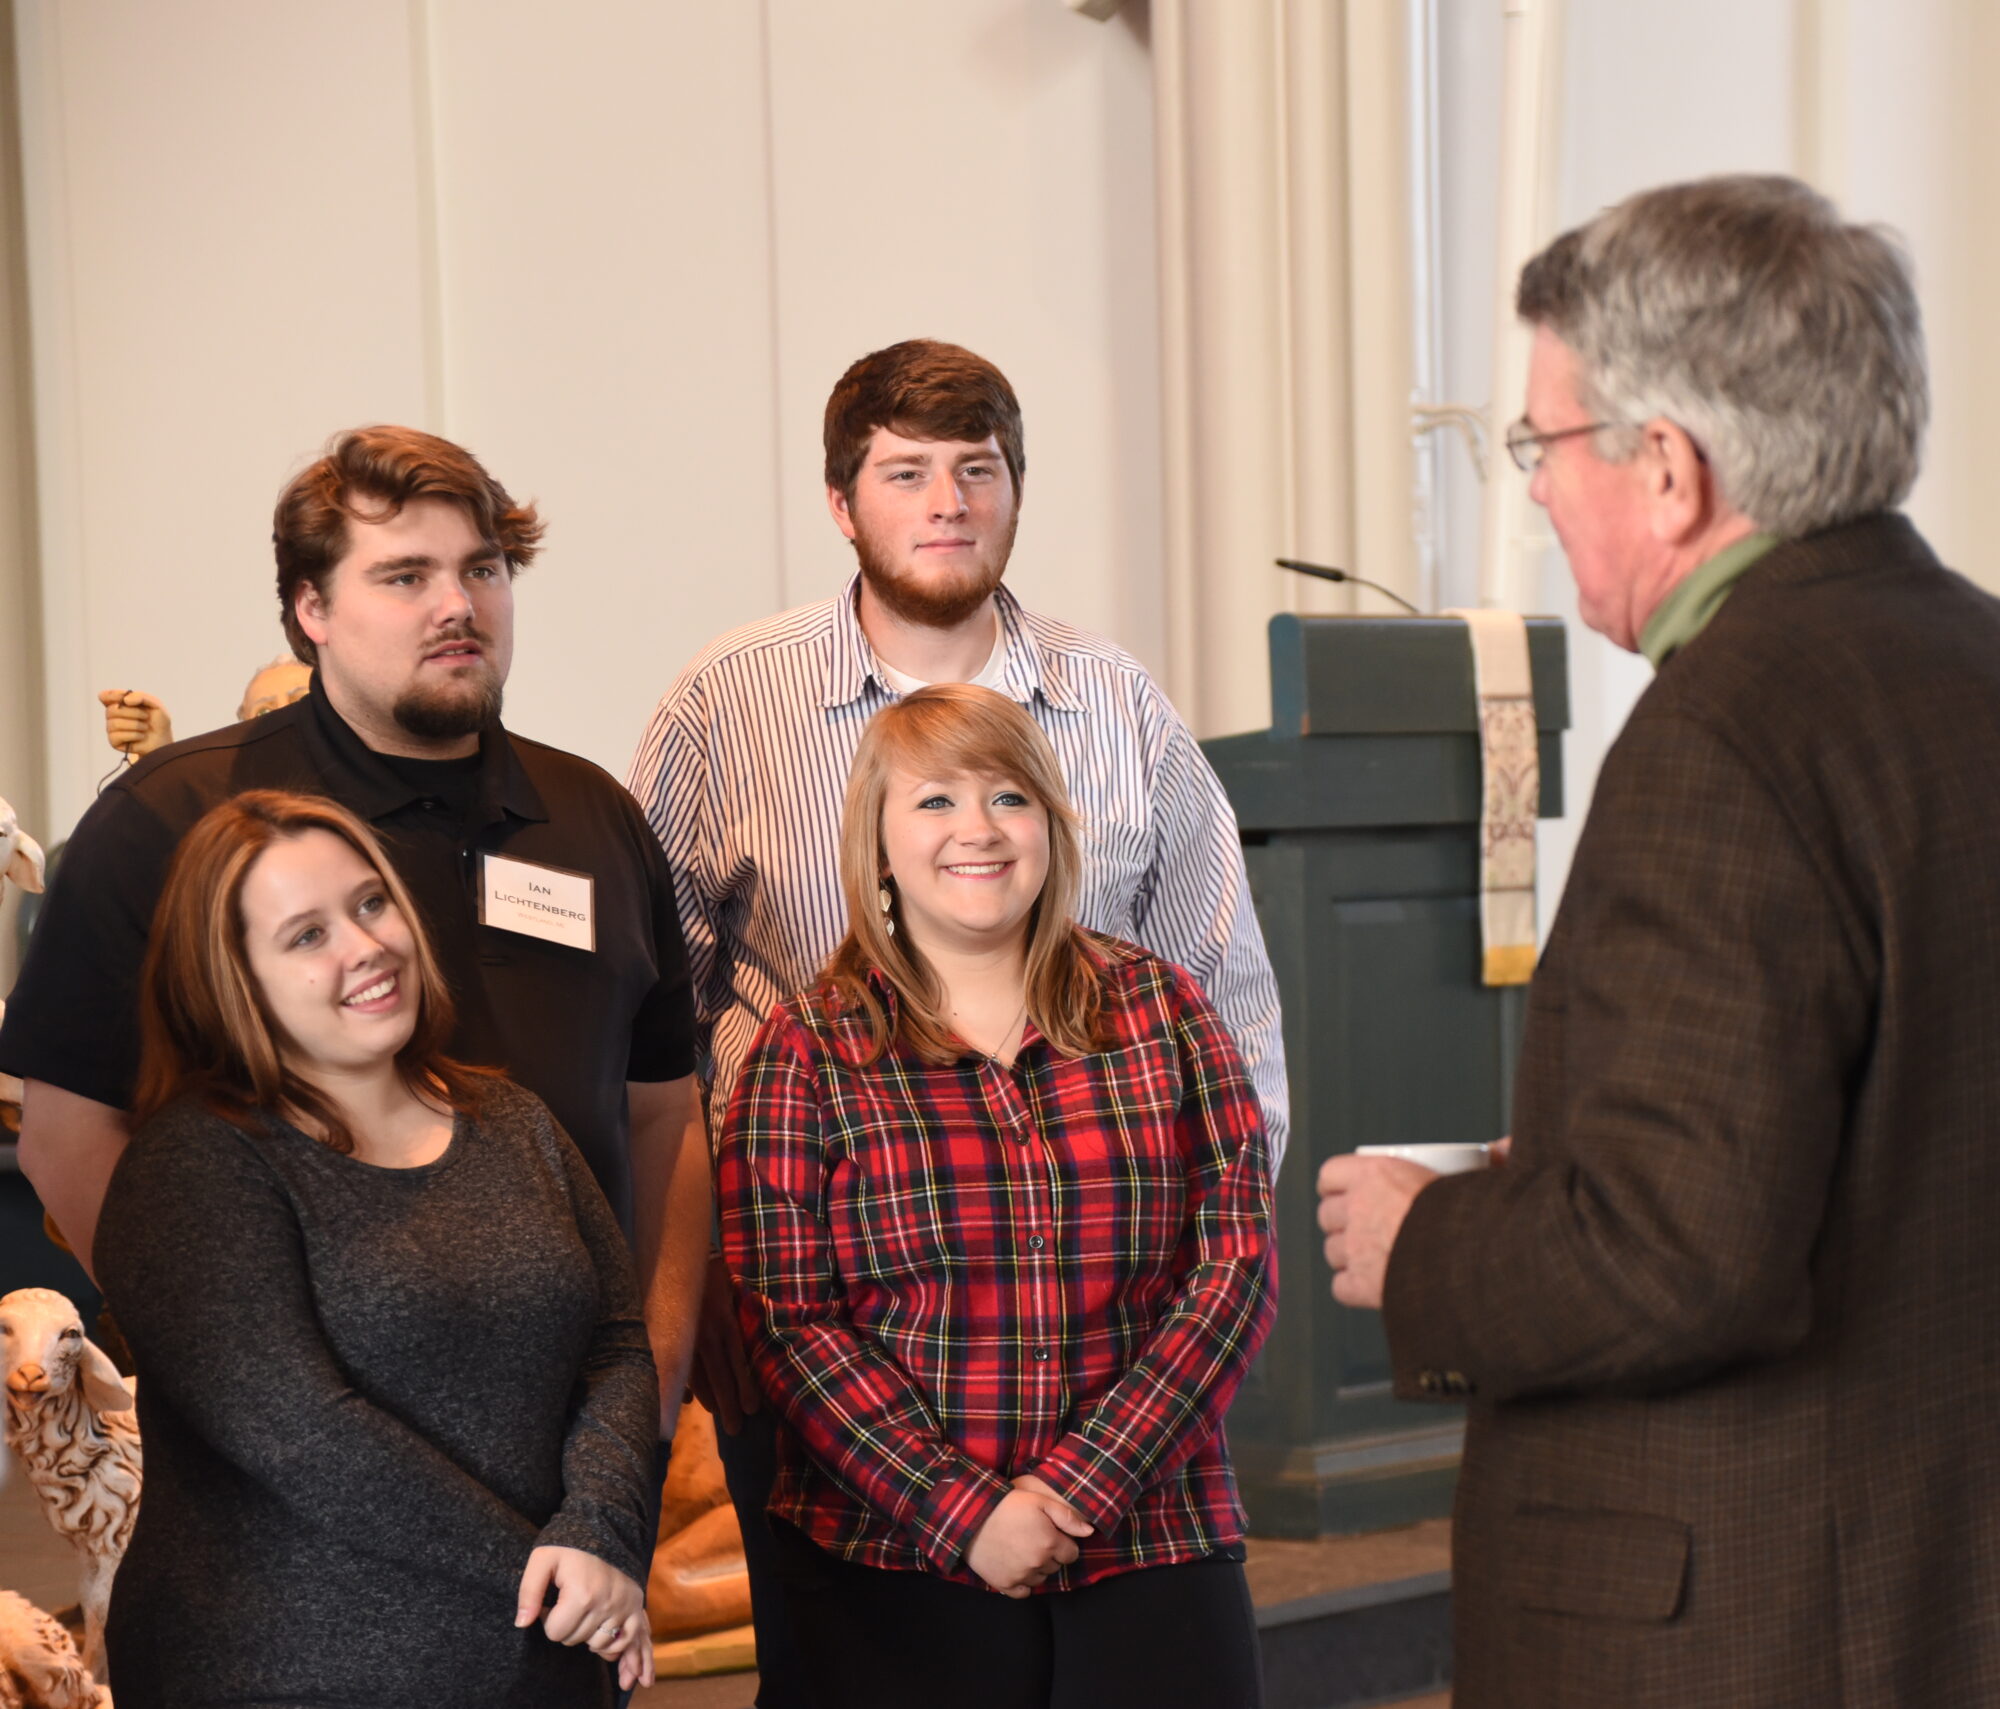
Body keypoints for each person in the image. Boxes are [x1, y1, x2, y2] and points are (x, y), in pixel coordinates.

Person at [1316, 176, 2000, 1707]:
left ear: (1669, 469)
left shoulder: (1731, 729)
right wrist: (1580, 1171)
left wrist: (1435, 1243)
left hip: (1790, 1628)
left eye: (1543, 444)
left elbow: (1680, 1259)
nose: (1536, 493)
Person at [628, 338, 1287, 1701]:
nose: (946, 502)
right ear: (840, 501)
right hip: (825, 1334)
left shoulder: (1118, 703)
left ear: (1017, 490)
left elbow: (1224, 994)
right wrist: (700, 1281)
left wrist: (1184, 1325)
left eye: (977, 470)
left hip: (1125, 1354)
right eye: (906, 472)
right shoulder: (727, 699)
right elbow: (651, 1015)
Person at [0, 426, 708, 1437]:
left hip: (574, 1437)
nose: (457, 604)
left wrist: (654, 1376)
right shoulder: (172, 816)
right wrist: (246, 1368)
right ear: (313, 609)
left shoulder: (595, 816)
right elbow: (67, 1136)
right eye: (406, 575)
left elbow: (663, 1115)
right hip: (289, 1455)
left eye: (482, 569)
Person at [720, 684, 1272, 1708]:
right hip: (889, 1561)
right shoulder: (806, 1049)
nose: (977, 828)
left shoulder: (1164, 1010)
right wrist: (963, 1512)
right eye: (935, 800)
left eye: (1008, 796)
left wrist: (1079, 1484)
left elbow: (1233, 1270)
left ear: (1050, 826)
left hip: (1151, 1536)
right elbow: (789, 1320)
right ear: (877, 842)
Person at [95, 790, 658, 1704]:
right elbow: (303, 1436)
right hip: (286, 1677)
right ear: (232, 980)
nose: (364, 946)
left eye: (370, 902)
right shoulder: (193, 1164)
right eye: (307, 935)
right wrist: (560, 1580)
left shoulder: (513, 1119)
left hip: (539, 1663)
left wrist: (599, 1532)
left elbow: (616, 1343)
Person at [99, 654, 312, 761]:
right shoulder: (231, 811)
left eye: (300, 699)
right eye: (264, 711)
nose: (282, 714)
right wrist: (157, 754)